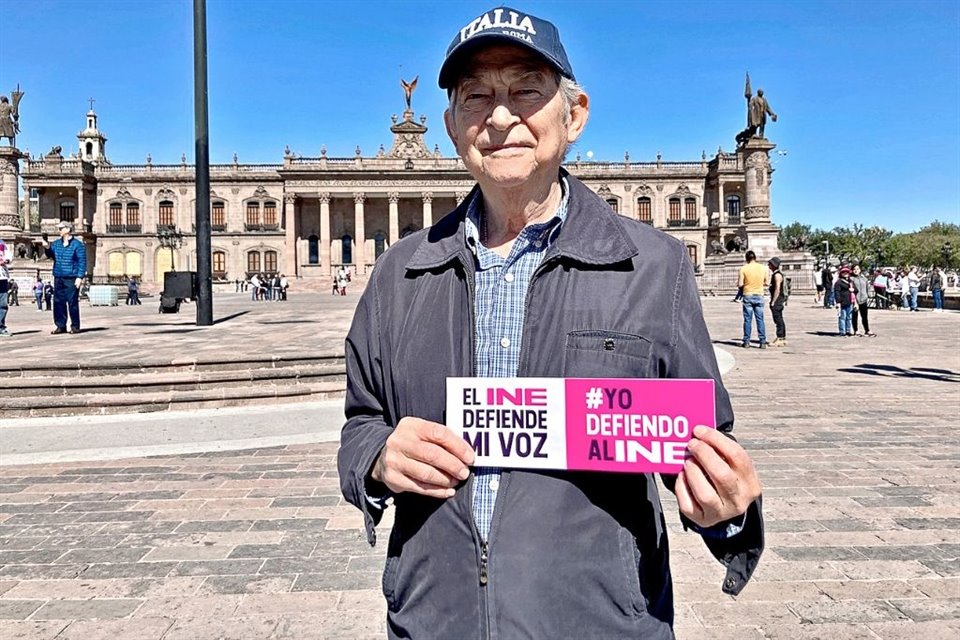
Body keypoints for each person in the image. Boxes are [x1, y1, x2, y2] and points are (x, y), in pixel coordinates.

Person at [337, 7, 763, 637]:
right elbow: (361, 422)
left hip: (597, 623)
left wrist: (727, 511)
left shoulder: (653, 266)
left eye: (526, 90)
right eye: (476, 96)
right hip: (435, 619)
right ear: (454, 127)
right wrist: (375, 457)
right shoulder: (400, 272)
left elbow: (699, 441)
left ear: (574, 113)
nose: (501, 116)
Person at [41, 221, 86, 334]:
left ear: (67, 229)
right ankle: (60, 325)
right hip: (59, 276)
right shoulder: (56, 244)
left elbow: (82, 261)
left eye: (61, 228)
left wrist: (80, 277)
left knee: (72, 302)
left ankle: (75, 326)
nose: (59, 230)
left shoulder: (77, 245)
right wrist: (47, 247)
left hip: (71, 277)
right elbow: (51, 255)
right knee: (58, 302)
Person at [738, 250, 768, 348]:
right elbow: (766, 282)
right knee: (760, 319)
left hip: (748, 294)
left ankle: (746, 341)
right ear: (755, 258)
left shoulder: (743, 269)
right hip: (759, 294)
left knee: (747, 319)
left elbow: (740, 284)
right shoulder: (763, 268)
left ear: (746, 258)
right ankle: (762, 341)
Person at [850, 264, 874, 336]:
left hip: (864, 300)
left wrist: (868, 295)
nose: (856, 270)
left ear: (860, 270)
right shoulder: (851, 279)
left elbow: (868, 288)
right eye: (854, 269)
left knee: (864, 316)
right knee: (855, 316)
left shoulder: (864, 279)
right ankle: (856, 330)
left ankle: (867, 330)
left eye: (857, 269)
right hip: (855, 300)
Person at [767, 256, 787, 346]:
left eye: (770, 264)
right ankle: (782, 337)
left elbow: (777, 289)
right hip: (779, 299)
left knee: (778, 319)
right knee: (779, 319)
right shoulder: (777, 274)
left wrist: (773, 301)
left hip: (778, 300)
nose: (768, 265)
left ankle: (780, 337)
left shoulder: (777, 275)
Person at [834, 266, 857, 336]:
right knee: (842, 317)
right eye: (844, 272)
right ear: (841, 273)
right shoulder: (839, 282)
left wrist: (853, 290)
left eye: (847, 272)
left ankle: (848, 330)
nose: (845, 273)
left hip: (850, 301)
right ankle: (842, 331)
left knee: (849, 317)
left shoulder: (851, 282)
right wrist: (838, 302)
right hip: (842, 301)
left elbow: (856, 290)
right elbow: (836, 292)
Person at [0, 237, 11, 337]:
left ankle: (1, 327)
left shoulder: (2, 243)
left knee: (3, 304)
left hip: (2, 277)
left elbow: (9, 257)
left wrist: (5, 261)